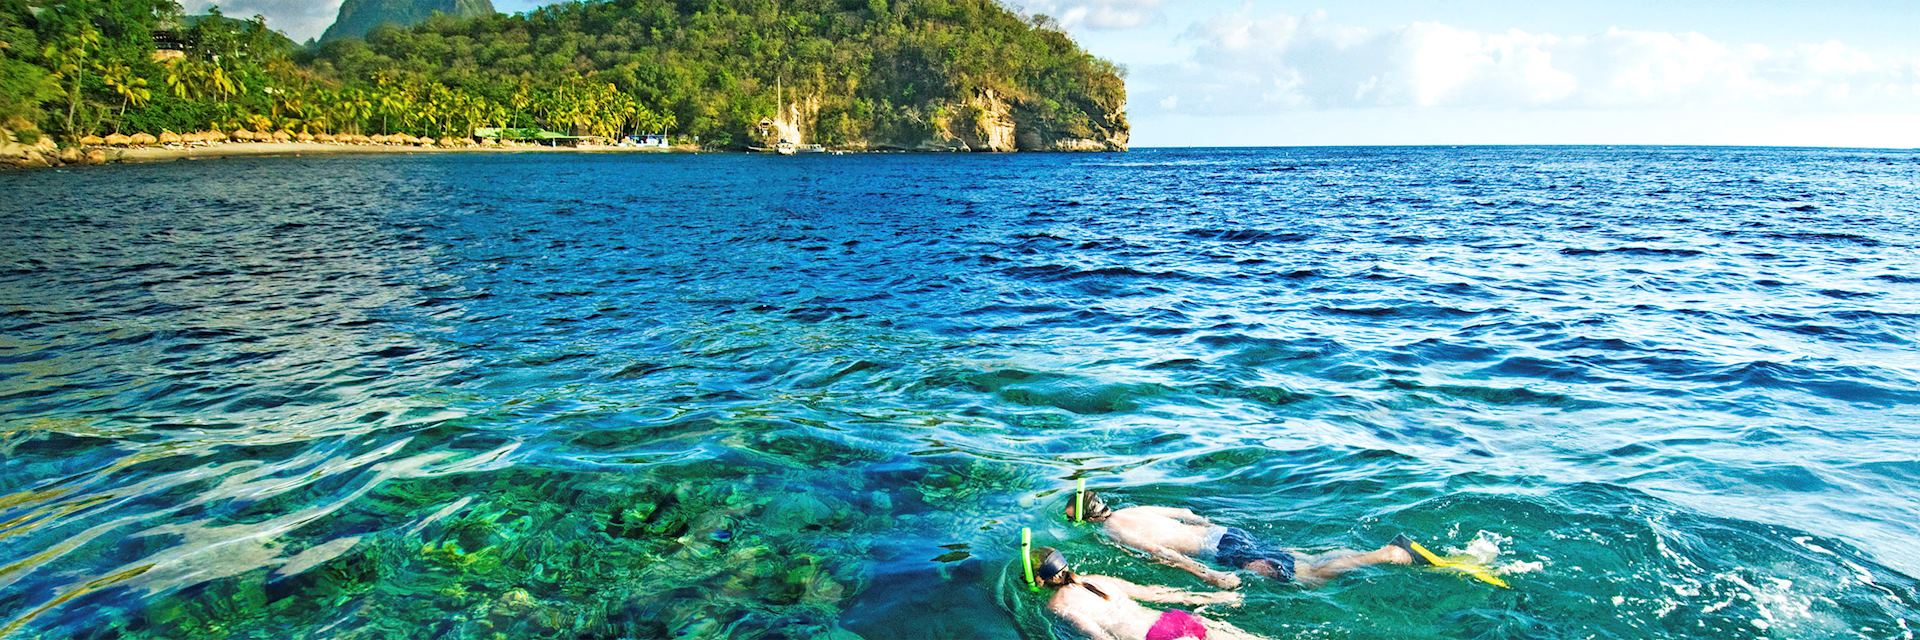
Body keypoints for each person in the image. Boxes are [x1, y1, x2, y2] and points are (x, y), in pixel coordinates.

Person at [1065, 489, 1424, 588]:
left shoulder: (1114, 531)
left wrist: (1206, 574)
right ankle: (1372, 552)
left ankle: (1386, 555)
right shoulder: (1134, 509)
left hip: (1218, 550)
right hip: (1225, 533)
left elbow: (1161, 553)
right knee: (1301, 560)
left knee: (1307, 579)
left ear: (1085, 519)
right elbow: (1188, 515)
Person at [1028, 546, 1274, 640]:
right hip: (1172, 619)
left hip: (1150, 636)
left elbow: (1097, 635)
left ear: (1040, 578)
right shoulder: (1096, 580)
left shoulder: (1057, 604)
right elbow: (1154, 593)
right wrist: (1212, 597)